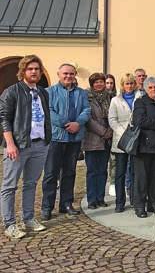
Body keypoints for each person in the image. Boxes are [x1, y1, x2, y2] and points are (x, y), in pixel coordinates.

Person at [0, 55, 50, 239]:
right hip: (18, 146)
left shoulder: (43, 92)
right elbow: (4, 118)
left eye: (37, 69)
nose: (34, 72)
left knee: (30, 184)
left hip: (39, 145)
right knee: (9, 186)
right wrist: (10, 144)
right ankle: (10, 224)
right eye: (30, 69)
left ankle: (28, 218)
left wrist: (47, 140)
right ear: (23, 71)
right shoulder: (11, 91)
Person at [41, 63, 90, 220]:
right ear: (59, 74)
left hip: (74, 139)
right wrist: (65, 124)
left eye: (71, 73)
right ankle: (47, 207)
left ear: (75, 74)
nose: (68, 76)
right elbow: (48, 110)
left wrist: (78, 123)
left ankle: (66, 203)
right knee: (50, 174)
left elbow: (86, 110)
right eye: (65, 73)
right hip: (56, 138)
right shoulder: (49, 92)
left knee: (69, 172)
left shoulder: (81, 93)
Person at [132, 77, 155, 218]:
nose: (154, 90)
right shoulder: (140, 102)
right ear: (146, 89)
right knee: (142, 178)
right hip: (144, 146)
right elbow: (139, 121)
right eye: (151, 87)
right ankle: (139, 206)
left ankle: (153, 204)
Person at [108, 73, 139, 213]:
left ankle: (134, 198)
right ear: (122, 85)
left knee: (134, 171)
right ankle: (119, 202)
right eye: (127, 83)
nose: (129, 86)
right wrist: (124, 132)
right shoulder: (115, 100)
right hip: (121, 140)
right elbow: (112, 120)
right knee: (120, 173)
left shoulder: (140, 98)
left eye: (132, 83)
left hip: (136, 139)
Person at [83, 73, 113, 210]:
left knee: (102, 170)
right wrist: (103, 132)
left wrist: (110, 131)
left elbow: (112, 116)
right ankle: (91, 199)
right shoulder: (87, 97)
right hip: (92, 139)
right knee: (92, 171)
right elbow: (88, 119)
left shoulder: (110, 96)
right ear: (92, 84)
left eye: (101, 81)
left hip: (107, 140)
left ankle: (100, 198)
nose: (99, 84)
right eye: (96, 82)